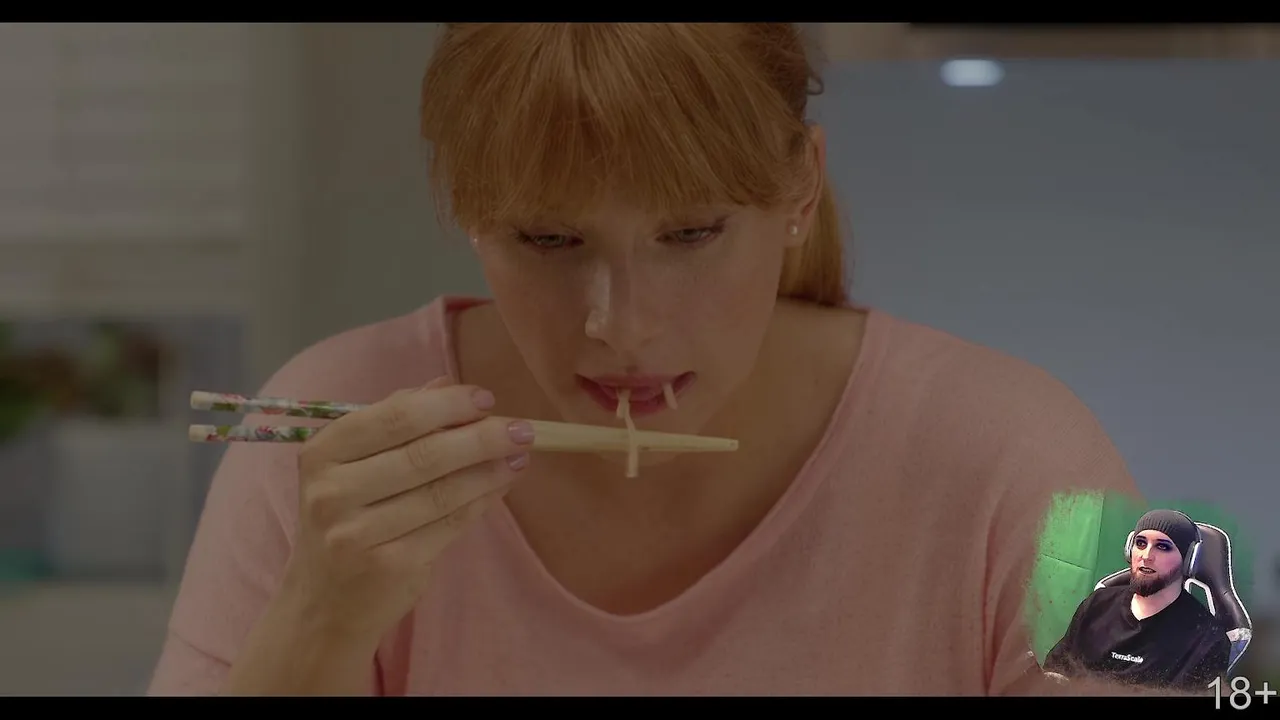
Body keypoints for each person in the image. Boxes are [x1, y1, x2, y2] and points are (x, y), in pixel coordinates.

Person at [148, 23, 1146, 696]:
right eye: (548, 240)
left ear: (800, 189)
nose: (618, 328)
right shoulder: (329, 430)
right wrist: (320, 621)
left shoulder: (1022, 468)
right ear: (468, 214)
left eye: (691, 234)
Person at [1043, 510, 1232, 692]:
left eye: (1163, 547)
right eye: (1140, 543)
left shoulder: (1206, 641)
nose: (1146, 556)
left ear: (1189, 558)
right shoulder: (1096, 605)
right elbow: (1058, 669)